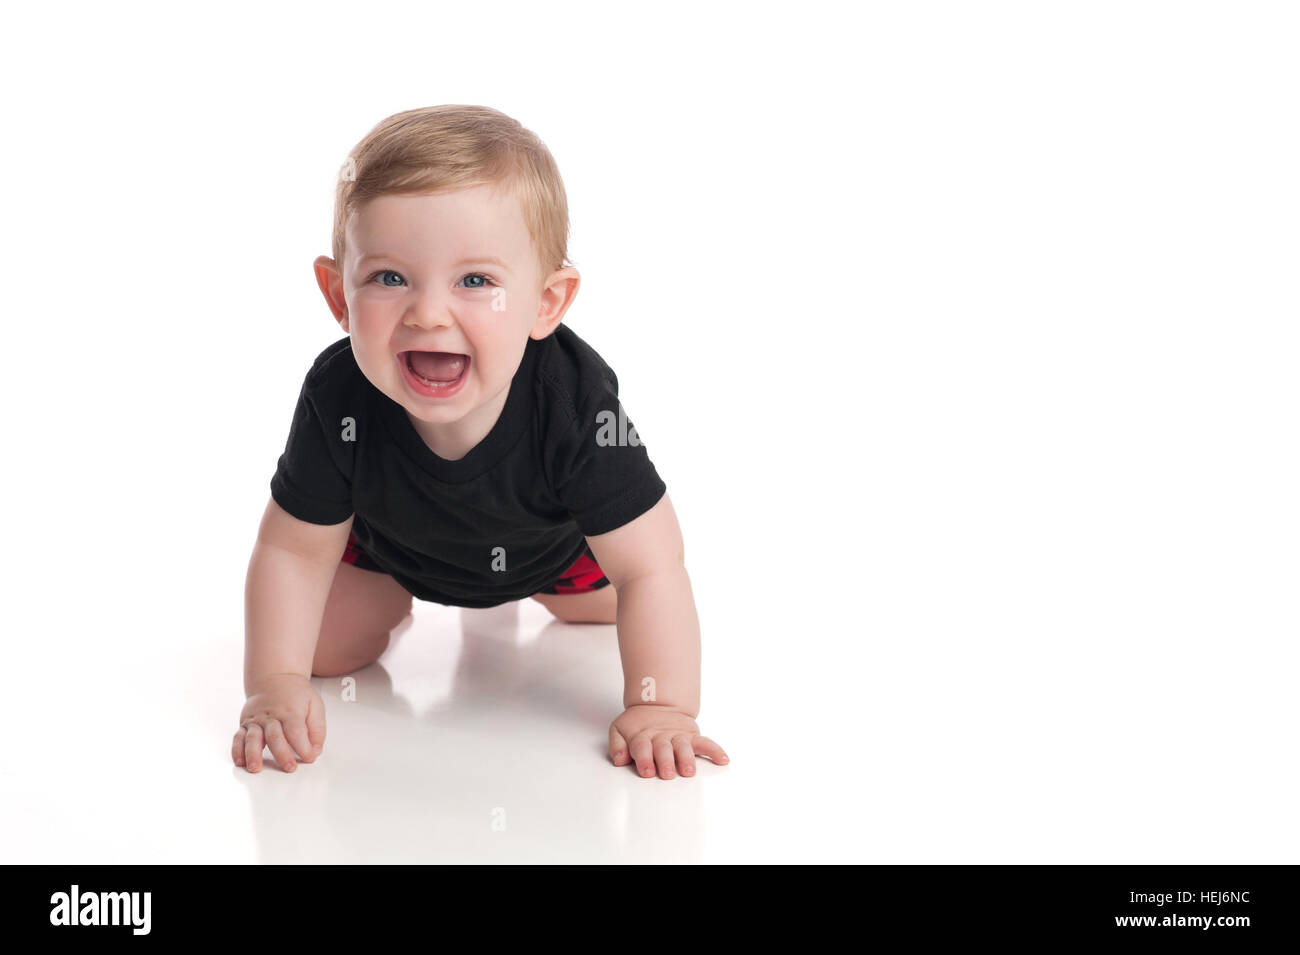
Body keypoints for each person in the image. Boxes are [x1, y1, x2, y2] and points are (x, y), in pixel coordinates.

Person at [233, 105, 728, 781]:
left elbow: (652, 563)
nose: (428, 312)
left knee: (615, 596)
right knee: (321, 649)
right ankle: (393, 600)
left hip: (553, 553)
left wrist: (665, 706)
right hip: (395, 549)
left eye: (475, 281)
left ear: (546, 303)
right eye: (388, 277)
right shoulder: (337, 393)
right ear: (337, 293)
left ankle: (553, 596)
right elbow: (292, 547)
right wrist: (273, 681)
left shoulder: (572, 403)